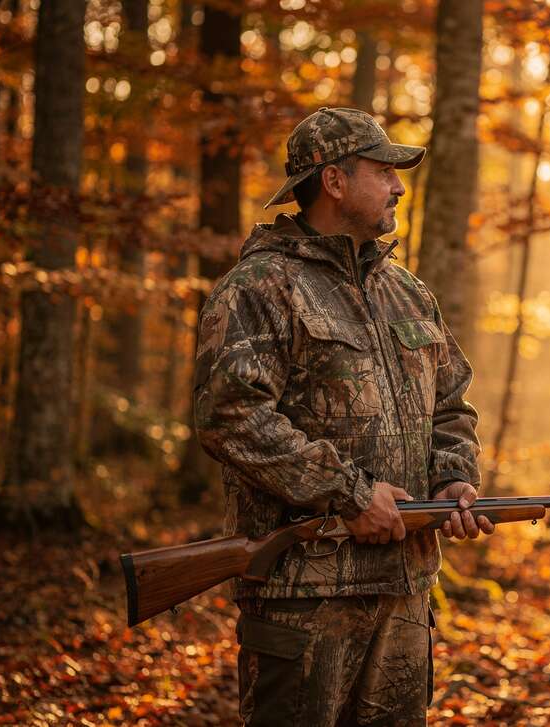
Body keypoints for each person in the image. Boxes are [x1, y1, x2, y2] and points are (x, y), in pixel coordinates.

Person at [193, 107, 493, 726]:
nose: (399, 186)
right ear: (334, 181)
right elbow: (230, 416)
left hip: (404, 594)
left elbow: (452, 401)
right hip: (302, 596)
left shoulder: (407, 291)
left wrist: (452, 479)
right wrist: (350, 494)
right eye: (384, 171)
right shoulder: (260, 288)